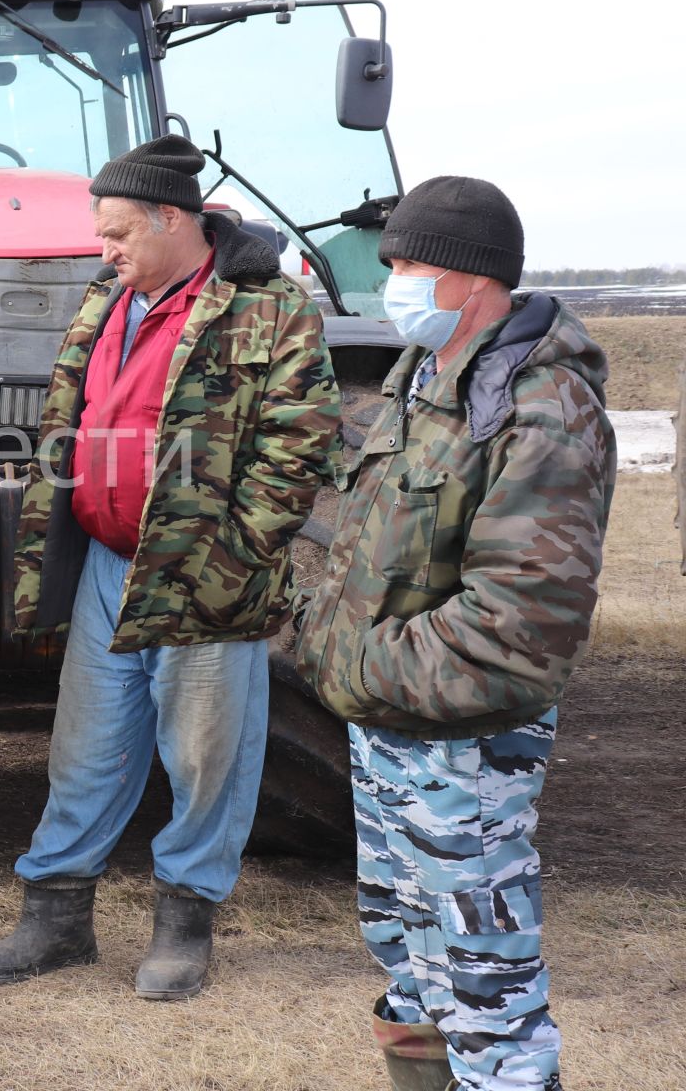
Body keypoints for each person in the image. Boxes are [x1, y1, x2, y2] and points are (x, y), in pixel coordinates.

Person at [0, 135, 339, 1000]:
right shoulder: (108, 297)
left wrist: (234, 556)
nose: (104, 251)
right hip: (107, 561)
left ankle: (184, 923)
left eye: (117, 233)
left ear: (173, 219)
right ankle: (57, 919)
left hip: (205, 574)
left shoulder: (269, 307)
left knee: (207, 754)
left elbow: (300, 445)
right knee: (87, 750)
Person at [297, 178, 612, 1091]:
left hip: (463, 749)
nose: (391, 281)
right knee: (410, 955)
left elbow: (518, 628)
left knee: (486, 991)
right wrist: (338, 651)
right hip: (391, 722)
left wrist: (348, 661)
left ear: (472, 280)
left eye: (407, 265)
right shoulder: (429, 372)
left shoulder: (540, 408)